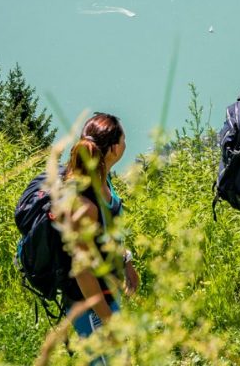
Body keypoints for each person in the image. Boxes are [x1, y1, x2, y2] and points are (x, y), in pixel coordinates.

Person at [61, 113, 140, 349]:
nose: (126, 144)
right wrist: (107, 319)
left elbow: (108, 233)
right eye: (124, 139)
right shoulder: (84, 203)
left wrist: (126, 261)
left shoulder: (103, 180)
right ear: (114, 149)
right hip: (90, 304)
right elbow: (83, 272)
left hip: (107, 293)